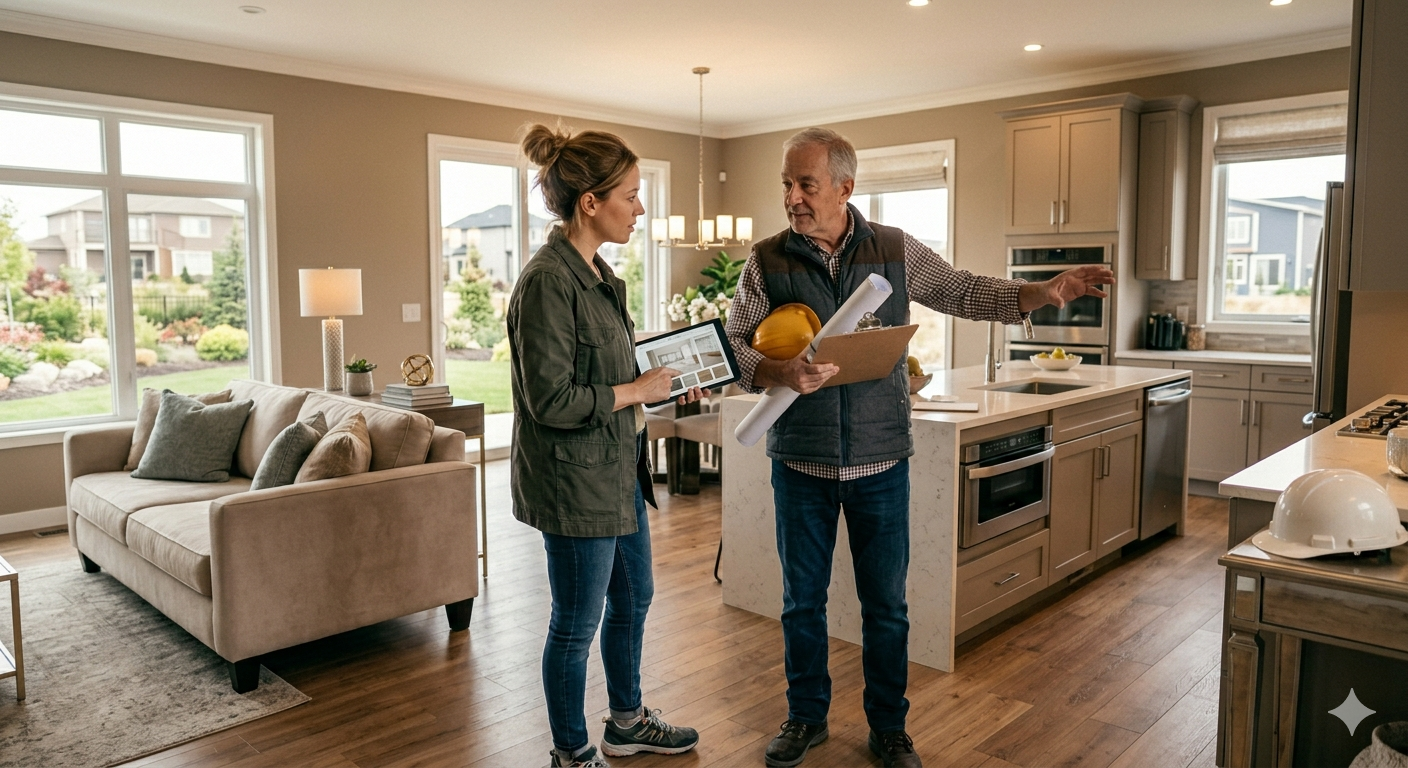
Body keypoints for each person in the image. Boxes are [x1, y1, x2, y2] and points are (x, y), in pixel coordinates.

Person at [724, 127, 1114, 768]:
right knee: (801, 603)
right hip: (801, 462)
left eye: (806, 185)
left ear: (845, 188)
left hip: (881, 460)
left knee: (888, 605)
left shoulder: (895, 250)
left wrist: (1040, 294)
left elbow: (961, 290)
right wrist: (778, 373)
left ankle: (889, 727)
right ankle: (805, 717)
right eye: (787, 185)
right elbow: (736, 343)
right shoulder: (766, 260)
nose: (793, 197)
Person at [509, 124, 704, 768]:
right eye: (630, 195)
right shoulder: (547, 282)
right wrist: (633, 390)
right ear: (589, 202)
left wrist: (664, 384)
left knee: (633, 598)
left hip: (620, 473)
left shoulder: (603, 277)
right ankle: (571, 751)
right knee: (574, 626)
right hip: (573, 482)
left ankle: (626, 721)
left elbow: (615, 377)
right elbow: (553, 400)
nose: (640, 208)